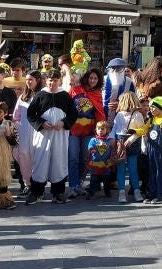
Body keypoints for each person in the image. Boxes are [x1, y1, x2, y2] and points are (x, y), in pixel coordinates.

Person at [26, 72, 77, 203]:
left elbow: (73, 113)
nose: (52, 83)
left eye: (55, 80)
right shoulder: (40, 95)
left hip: (60, 134)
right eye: (49, 80)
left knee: (59, 162)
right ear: (45, 80)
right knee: (40, 162)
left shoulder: (65, 96)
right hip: (43, 134)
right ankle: (36, 191)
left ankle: (58, 192)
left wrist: (64, 123)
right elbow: (31, 114)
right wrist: (41, 123)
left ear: (59, 81)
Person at [68, 67, 104, 199]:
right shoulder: (75, 90)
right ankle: (72, 186)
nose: (93, 80)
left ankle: (79, 184)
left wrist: (101, 131)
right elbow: (66, 106)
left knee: (84, 159)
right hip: (73, 130)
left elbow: (100, 114)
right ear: (86, 78)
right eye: (91, 77)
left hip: (88, 132)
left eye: (95, 78)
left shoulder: (98, 93)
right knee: (72, 158)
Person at [131, 96, 162, 205]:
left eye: (153, 107)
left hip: (160, 151)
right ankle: (151, 193)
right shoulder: (151, 119)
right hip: (151, 149)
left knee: (160, 173)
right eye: (150, 107)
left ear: (160, 108)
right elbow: (143, 129)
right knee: (152, 172)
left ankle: (160, 194)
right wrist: (134, 131)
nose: (151, 109)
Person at [12, 71, 42, 193]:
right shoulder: (23, 97)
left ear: (38, 80)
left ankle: (39, 185)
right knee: (24, 155)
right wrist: (17, 129)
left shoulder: (43, 95)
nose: (29, 82)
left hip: (39, 131)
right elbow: (16, 116)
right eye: (27, 80)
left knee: (38, 156)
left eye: (31, 80)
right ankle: (28, 183)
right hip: (24, 131)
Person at [112, 91, 144, 203]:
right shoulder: (120, 114)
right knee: (121, 168)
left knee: (132, 169)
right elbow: (114, 129)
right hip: (120, 142)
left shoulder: (138, 115)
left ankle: (136, 191)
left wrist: (132, 138)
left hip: (131, 142)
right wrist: (112, 141)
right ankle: (122, 192)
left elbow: (141, 130)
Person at [85, 120, 116, 199]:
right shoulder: (93, 140)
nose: (100, 131)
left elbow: (113, 151)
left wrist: (112, 159)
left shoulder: (109, 141)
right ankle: (91, 193)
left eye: (103, 129)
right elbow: (90, 146)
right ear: (96, 130)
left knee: (107, 181)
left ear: (107, 130)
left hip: (106, 166)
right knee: (93, 181)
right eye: (99, 129)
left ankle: (107, 192)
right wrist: (91, 149)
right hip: (95, 166)